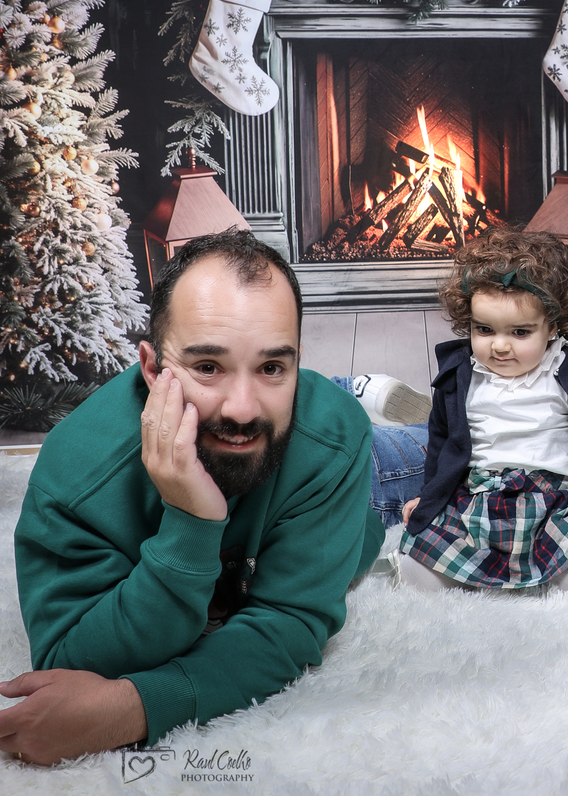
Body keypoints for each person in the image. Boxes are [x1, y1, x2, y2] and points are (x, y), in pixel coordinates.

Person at [1, 230, 385, 765]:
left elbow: (290, 623)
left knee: (403, 496)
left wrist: (133, 708)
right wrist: (191, 521)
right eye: (207, 367)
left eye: (273, 368)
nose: (243, 409)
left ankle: (377, 396)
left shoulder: (335, 438)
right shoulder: (76, 473)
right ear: (152, 368)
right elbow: (72, 662)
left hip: (374, 484)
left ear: (298, 363)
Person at [386, 227, 568, 595]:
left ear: (552, 327)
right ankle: (476, 569)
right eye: (485, 330)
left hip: (557, 504)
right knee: (416, 575)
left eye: (520, 333)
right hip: (476, 501)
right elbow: (441, 444)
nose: (500, 346)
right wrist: (429, 496)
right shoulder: (460, 377)